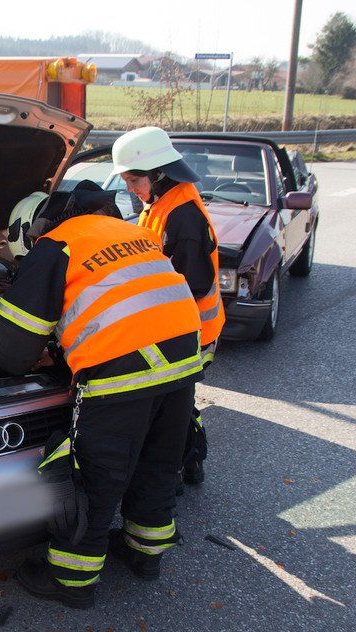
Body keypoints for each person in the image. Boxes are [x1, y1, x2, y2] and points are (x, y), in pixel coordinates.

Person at [0, 183, 204, 609]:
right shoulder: (127, 232)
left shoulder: (54, 247)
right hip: (181, 361)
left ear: (28, 232)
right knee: (157, 463)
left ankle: (72, 579)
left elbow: (12, 352)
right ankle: (145, 555)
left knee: (95, 476)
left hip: (123, 372)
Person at [111, 126, 225, 487]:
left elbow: (193, 285)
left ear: (158, 173)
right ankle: (182, 462)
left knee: (176, 407)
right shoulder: (163, 204)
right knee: (176, 404)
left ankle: (185, 463)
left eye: (133, 180)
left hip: (192, 331)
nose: (131, 189)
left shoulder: (183, 217)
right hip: (179, 329)